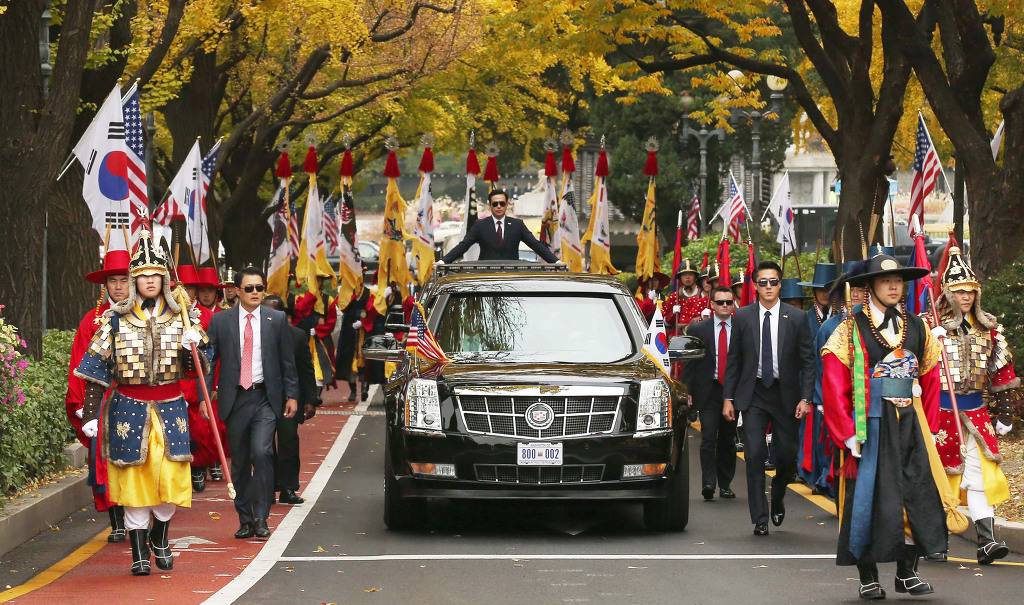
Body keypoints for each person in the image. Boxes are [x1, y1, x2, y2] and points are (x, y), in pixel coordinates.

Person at [74, 231, 208, 575]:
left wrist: (193, 347)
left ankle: (160, 539)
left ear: (164, 279)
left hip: (170, 407)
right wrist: (90, 413)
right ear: (135, 280)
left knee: (170, 480)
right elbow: (94, 368)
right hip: (128, 407)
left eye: (155, 275)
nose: (149, 280)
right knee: (134, 484)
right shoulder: (114, 320)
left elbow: (199, 371)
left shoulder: (183, 317)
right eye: (143, 275)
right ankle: (138, 554)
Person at [821, 253, 948, 599]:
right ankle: (868, 575)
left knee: (915, 493)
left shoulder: (918, 327)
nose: (894, 286)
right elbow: (834, 385)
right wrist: (847, 432)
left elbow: (931, 377)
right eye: (885, 281)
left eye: (898, 281)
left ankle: (908, 571)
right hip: (871, 425)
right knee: (869, 499)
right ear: (869, 287)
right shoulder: (849, 330)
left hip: (911, 422)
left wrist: (932, 425)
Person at [929, 245, 1017, 565]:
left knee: (980, 476)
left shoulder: (989, 329)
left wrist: (1005, 411)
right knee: (942, 477)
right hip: (940, 412)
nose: (966, 297)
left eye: (970, 291)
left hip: (976, 412)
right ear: (949, 293)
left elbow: (1002, 372)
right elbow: (918, 370)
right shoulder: (930, 327)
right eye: (960, 291)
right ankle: (936, 540)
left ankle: (987, 541)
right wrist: (929, 342)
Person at [206, 266, 299, 540]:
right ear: (237, 291)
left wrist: (292, 395)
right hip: (235, 399)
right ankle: (245, 517)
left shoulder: (276, 319)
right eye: (249, 288)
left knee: (262, 452)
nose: (256, 293)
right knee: (241, 460)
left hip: (265, 398)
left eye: (260, 287)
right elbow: (208, 362)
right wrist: (204, 395)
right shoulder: (221, 322)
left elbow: (287, 362)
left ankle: (262, 517)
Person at [723, 260, 814, 537]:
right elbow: (734, 361)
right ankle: (759, 517)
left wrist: (806, 398)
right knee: (753, 454)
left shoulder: (797, 318)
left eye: (773, 281)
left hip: (786, 395)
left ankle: (778, 495)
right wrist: (728, 397)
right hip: (753, 396)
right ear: (755, 286)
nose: (768, 287)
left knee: (786, 456)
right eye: (763, 282)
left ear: (780, 284)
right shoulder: (742, 317)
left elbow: (808, 362)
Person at [66, 248, 131, 543]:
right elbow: (80, 363)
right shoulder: (91, 321)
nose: (118, 286)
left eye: (124, 279)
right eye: (113, 281)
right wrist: (82, 404)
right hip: (103, 400)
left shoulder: (144, 317)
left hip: (136, 395)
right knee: (105, 459)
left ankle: (138, 515)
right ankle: (117, 519)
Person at [263, 296, 320, 506]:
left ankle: (288, 488)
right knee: (264, 445)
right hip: (263, 398)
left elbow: (306, 369)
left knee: (288, 442)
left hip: (289, 398)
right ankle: (267, 487)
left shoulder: (297, 336)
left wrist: (311, 400)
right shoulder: (255, 333)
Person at [683, 286, 738, 501]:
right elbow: (691, 362)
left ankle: (725, 484)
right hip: (708, 390)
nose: (725, 306)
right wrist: (687, 390)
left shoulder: (741, 328)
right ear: (712, 305)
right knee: (708, 437)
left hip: (731, 391)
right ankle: (708, 482)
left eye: (729, 302)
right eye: (720, 302)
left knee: (727, 439)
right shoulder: (699, 329)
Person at [440, 189, 559, 263]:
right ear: (489, 206)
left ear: (507, 205)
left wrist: (556, 262)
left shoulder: (517, 225)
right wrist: (443, 261)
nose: (498, 206)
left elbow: (535, 245)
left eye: (502, 203)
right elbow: (463, 246)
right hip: (486, 276)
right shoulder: (480, 225)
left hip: (511, 276)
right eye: (495, 204)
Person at [337, 287, 371, 403]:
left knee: (364, 361)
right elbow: (341, 306)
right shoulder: (346, 291)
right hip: (349, 331)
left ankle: (364, 389)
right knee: (349, 361)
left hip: (363, 331)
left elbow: (371, 310)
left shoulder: (367, 292)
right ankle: (353, 390)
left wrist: (363, 322)